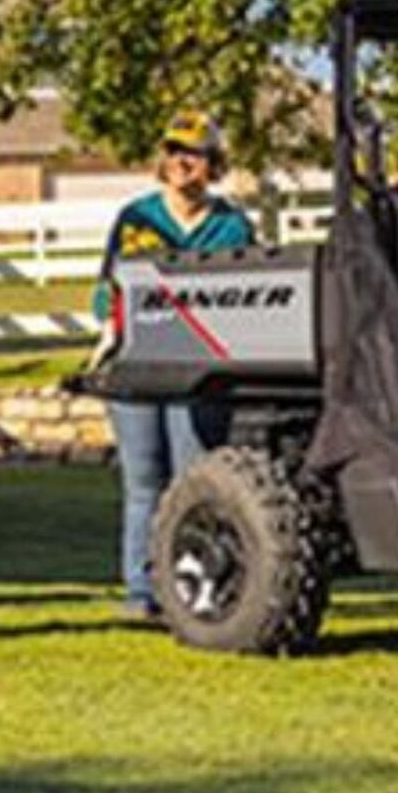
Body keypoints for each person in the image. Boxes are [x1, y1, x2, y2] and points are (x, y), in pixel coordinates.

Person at [94, 111, 255, 618]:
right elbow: (108, 291)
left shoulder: (232, 225)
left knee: (193, 481)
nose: (183, 163)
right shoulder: (136, 219)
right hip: (137, 364)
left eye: (195, 154)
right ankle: (142, 593)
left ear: (214, 164)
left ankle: (191, 590)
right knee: (143, 482)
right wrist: (109, 330)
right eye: (174, 152)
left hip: (199, 370)